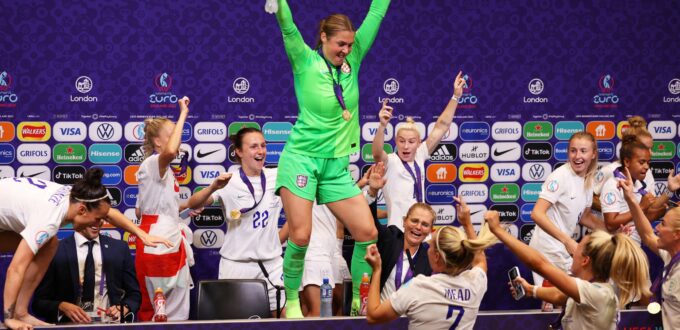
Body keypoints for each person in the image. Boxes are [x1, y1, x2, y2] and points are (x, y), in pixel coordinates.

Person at [272, 0, 391, 317]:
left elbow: (376, 12)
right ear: (323, 36)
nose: (346, 50)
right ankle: (293, 300)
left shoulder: (354, 59)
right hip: (302, 159)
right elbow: (287, 24)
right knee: (300, 235)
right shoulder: (304, 60)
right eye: (341, 43)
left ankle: (358, 301)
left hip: (336, 166)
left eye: (350, 44)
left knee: (367, 233)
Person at [0, 169, 169, 330]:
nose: (100, 225)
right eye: (97, 219)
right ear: (82, 210)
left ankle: (21, 312)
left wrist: (142, 234)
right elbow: (15, 269)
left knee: (50, 244)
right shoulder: (47, 220)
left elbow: (109, 213)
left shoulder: (78, 196)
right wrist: (8, 319)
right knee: (46, 244)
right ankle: (13, 315)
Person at [186, 127, 286, 317]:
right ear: (239, 152)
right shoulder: (228, 181)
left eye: (263, 146)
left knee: (283, 319)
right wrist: (213, 187)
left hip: (273, 264)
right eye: (254, 146)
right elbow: (194, 203)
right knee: (235, 321)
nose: (261, 151)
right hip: (237, 265)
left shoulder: (278, 176)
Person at [490, 213, 651, 329]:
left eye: (577, 248)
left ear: (585, 260)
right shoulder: (594, 288)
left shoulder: (597, 293)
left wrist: (498, 231)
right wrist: (531, 290)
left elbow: (540, 265)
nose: (571, 253)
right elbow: (561, 296)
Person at [364, 203, 497, 329]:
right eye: (415, 221)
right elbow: (480, 262)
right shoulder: (474, 283)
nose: (428, 248)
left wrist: (377, 270)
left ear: (437, 256)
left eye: (431, 246)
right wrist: (467, 223)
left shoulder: (418, 286)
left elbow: (373, 316)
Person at [372, 72, 465, 230]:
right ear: (396, 142)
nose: (406, 146)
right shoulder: (391, 161)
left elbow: (442, 126)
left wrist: (456, 96)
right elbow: (376, 152)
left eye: (411, 142)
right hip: (397, 232)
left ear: (419, 143)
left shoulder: (421, 154)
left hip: (421, 229)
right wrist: (382, 126)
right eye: (401, 141)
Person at [134, 96, 194, 321]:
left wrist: (185, 209)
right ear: (159, 143)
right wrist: (183, 114)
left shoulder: (162, 171)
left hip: (166, 238)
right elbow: (170, 152)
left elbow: (142, 211)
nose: (176, 142)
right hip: (159, 242)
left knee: (174, 309)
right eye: (171, 137)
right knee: (158, 311)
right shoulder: (154, 162)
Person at [529, 132, 605, 286]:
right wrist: (567, 241)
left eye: (583, 151)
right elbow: (536, 213)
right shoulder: (560, 177)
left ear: (593, 154)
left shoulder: (588, 179)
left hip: (561, 249)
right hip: (547, 248)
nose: (578, 156)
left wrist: (612, 232)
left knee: (565, 300)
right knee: (557, 299)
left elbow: (585, 217)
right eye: (573, 150)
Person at [32, 217, 142, 324]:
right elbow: (39, 303)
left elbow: (134, 294)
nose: (97, 223)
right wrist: (62, 306)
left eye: (100, 218)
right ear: (77, 217)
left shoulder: (119, 248)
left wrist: (124, 307)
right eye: (91, 218)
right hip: (69, 326)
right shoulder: (55, 251)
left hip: (110, 324)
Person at [619, 167, 680, 329]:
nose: (657, 228)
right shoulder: (670, 256)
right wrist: (631, 199)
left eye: (663, 224)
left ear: (676, 235)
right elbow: (646, 234)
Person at [365, 162, 433, 300]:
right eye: (414, 221)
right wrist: (373, 191)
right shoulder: (391, 239)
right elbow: (370, 221)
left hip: (412, 319)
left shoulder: (431, 255)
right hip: (381, 316)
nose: (418, 227)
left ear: (430, 230)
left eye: (425, 224)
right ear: (404, 221)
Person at [599, 134, 668, 243]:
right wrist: (641, 207)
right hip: (616, 249)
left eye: (648, 162)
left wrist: (667, 201)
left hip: (633, 247)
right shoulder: (613, 185)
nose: (646, 167)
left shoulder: (639, 185)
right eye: (642, 162)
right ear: (627, 162)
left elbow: (644, 216)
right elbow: (610, 224)